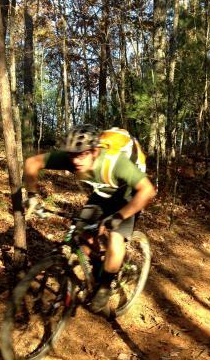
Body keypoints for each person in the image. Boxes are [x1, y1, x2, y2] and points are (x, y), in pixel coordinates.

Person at [23, 124, 156, 312]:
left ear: (95, 151)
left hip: (130, 192)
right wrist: (31, 196)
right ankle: (99, 266)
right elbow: (32, 163)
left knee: (115, 238)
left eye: (82, 154)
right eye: (72, 155)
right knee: (81, 236)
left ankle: (105, 287)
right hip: (104, 190)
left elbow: (148, 190)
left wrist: (118, 216)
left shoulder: (116, 163)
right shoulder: (72, 158)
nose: (76, 160)